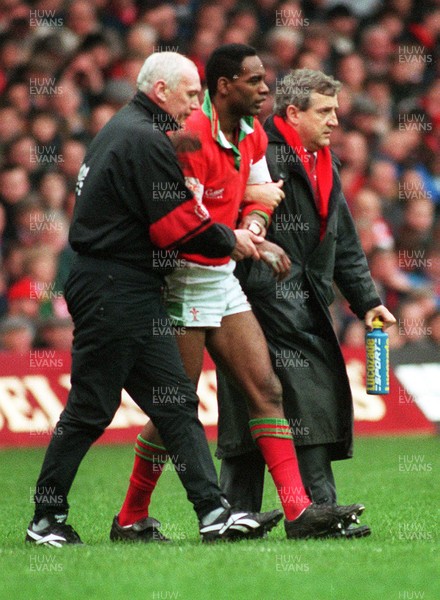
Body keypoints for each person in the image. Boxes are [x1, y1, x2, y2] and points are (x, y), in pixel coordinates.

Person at [25, 52, 284, 547]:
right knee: (91, 408)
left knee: (176, 404)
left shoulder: (127, 130)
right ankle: (45, 518)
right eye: (190, 94)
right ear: (161, 91)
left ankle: (213, 513)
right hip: (112, 287)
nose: (197, 103)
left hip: (130, 287)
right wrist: (233, 239)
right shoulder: (145, 140)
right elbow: (174, 226)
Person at [114, 45, 362, 543]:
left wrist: (252, 225)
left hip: (221, 277)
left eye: (265, 80)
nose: (265, 89)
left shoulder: (251, 137)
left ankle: (298, 512)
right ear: (223, 87)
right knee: (174, 408)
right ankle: (130, 517)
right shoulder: (189, 138)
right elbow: (184, 222)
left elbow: (261, 196)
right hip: (183, 279)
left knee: (264, 388)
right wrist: (245, 239)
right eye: (254, 81)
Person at [216, 68, 396, 538]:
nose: (335, 120)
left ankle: (237, 513)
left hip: (300, 299)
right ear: (293, 113)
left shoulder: (323, 160)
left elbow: (343, 242)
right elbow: (229, 222)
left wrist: (367, 301)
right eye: (325, 111)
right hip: (258, 294)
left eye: (335, 110)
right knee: (304, 391)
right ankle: (316, 509)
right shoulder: (258, 157)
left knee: (252, 398)